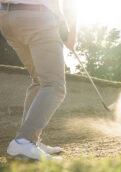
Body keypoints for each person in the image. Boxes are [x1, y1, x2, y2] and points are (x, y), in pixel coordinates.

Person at [0, 0, 77, 161]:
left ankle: (31, 141)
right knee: (54, 85)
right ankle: (24, 140)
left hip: (6, 17)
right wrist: (71, 34)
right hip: (37, 17)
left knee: (39, 80)